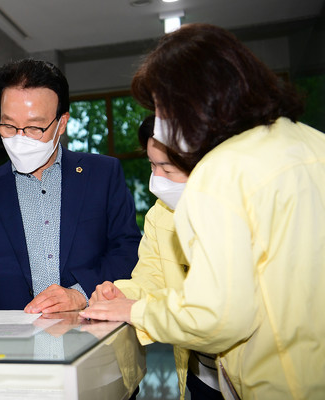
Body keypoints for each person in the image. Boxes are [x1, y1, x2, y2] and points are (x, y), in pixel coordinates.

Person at [80, 23, 325, 399]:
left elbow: (218, 318)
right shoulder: (310, 141)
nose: (161, 122)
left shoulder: (220, 171)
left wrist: (137, 313)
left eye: (163, 107)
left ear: (197, 100)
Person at [0, 59, 141, 320]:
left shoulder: (102, 175)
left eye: (34, 127)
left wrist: (80, 293)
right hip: (15, 344)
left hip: (92, 330)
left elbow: (126, 249)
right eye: (8, 125)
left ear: (61, 123)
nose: (20, 138)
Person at [82, 115, 222, 400]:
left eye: (167, 168)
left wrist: (133, 310)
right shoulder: (161, 214)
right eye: (151, 165)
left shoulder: (238, 212)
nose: (155, 180)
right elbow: (151, 277)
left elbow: (221, 310)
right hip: (202, 372)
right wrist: (119, 294)